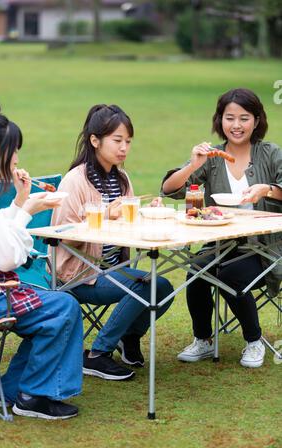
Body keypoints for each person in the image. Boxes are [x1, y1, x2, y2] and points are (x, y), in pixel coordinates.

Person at [51, 104, 174, 381]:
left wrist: (147, 213)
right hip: (79, 275)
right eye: (117, 140)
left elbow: (126, 225)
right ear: (95, 140)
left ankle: (128, 338)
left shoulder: (121, 178)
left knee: (163, 286)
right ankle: (97, 355)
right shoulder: (75, 181)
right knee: (147, 286)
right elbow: (62, 235)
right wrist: (105, 215)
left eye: (128, 141)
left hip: (111, 269)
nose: (124, 148)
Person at [161, 88, 282, 368]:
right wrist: (193, 165)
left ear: (256, 120)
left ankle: (253, 341)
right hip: (221, 242)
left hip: (266, 247)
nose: (236, 125)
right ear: (220, 120)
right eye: (230, 118)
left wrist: (268, 190)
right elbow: (169, 190)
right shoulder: (213, 157)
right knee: (196, 271)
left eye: (244, 118)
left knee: (232, 275)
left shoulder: (271, 153)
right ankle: (203, 340)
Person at [0, 97, 83, 419]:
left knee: (53, 307)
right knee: (62, 308)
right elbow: (6, 258)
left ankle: (10, 392)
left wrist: (21, 203)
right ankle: (31, 396)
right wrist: (27, 211)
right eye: (15, 150)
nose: (18, 158)